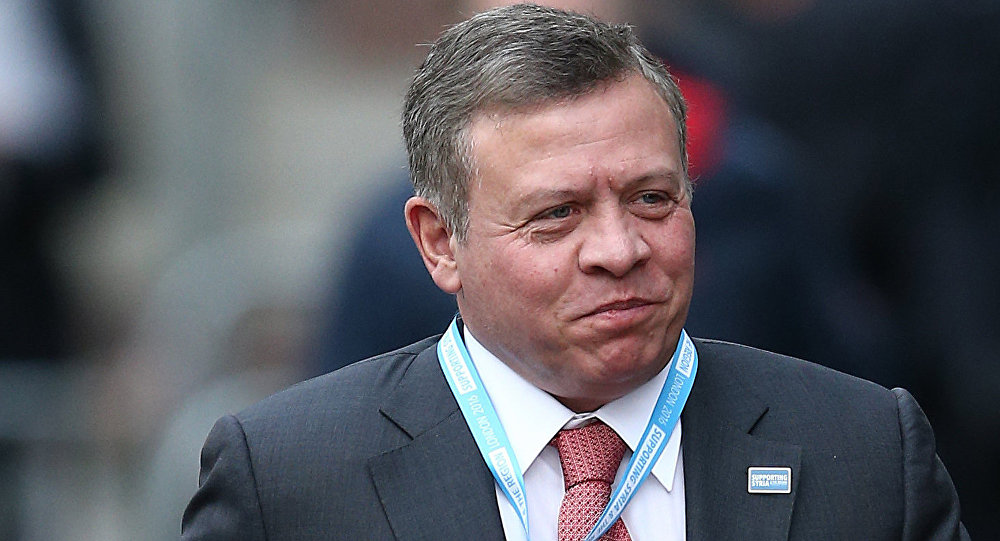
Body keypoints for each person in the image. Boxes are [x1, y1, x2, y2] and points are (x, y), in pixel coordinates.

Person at [180, 5, 969, 540]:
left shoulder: (865, 453)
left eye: (652, 198)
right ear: (441, 242)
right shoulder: (288, 480)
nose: (619, 249)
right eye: (558, 213)